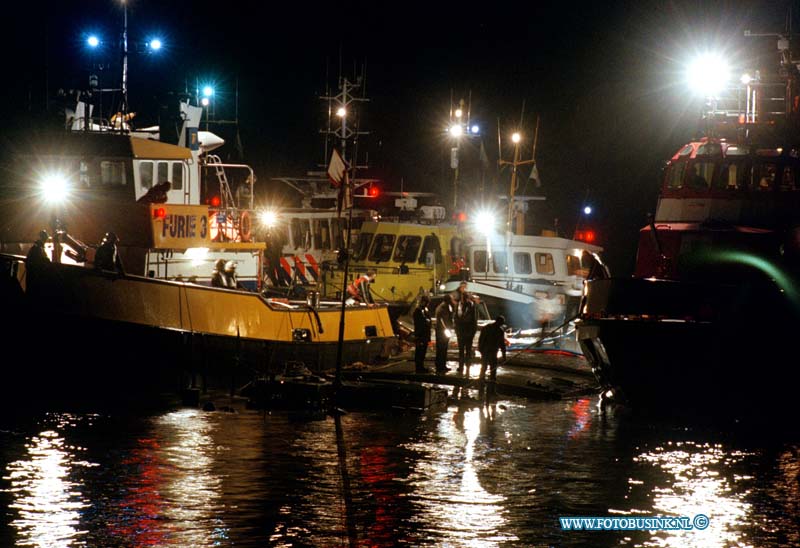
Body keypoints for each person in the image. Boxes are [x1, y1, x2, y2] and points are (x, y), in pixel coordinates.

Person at [478, 315, 508, 401]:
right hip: (489, 351)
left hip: (489, 351)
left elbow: (481, 340)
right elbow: (501, 343)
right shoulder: (497, 330)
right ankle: (488, 387)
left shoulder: (489, 328)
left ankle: (485, 385)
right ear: (499, 322)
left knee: (488, 368)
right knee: (490, 369)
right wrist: (504, 355)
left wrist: (480, 349)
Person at [453, 281, 478, 376]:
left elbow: (473, 320)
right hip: (461, 332)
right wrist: (456, 329)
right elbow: (456, 318)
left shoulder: (471, 307)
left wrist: (472, 332)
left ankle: (467, 365)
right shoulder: (460, 306)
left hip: (468, 332)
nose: (462, 299)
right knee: (461, 350)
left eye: (463, 297)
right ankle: (461, 366)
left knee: (467, 350)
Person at [434, 294, 455, 373]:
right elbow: (442, 320)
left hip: (444, 330)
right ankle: (440, 366)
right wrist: (446, 328)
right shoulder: (442, 308)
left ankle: (442, 365)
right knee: (441, 349)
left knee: (444, 349)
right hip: (441, 331)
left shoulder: (447, 307)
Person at [413, 295, 432, 373]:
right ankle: (419, 367)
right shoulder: (418, 311)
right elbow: (421, 322)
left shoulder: (424, 310)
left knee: (423, 351)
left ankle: (421, 366)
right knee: (419, 351)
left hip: (425, 334)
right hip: (420, 335)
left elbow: (428, 320)